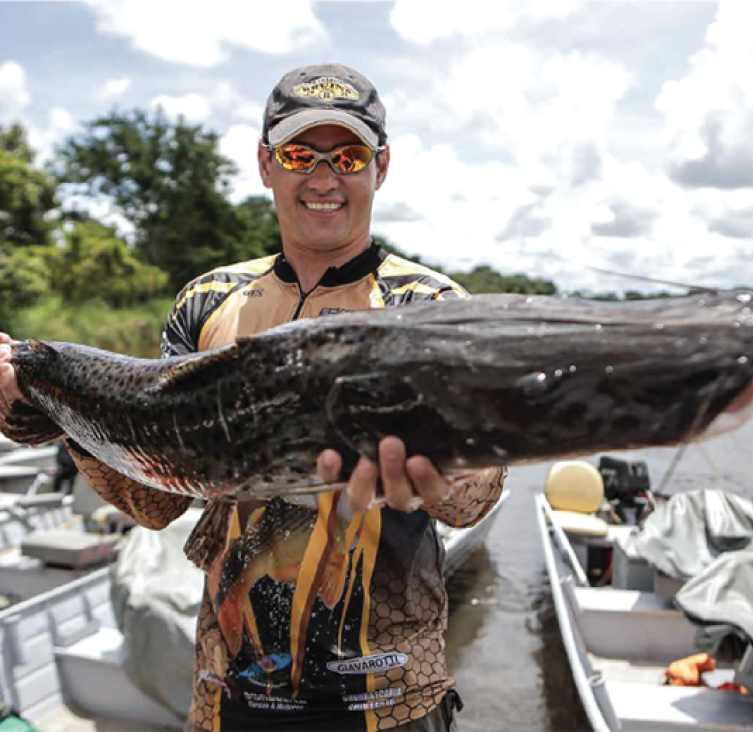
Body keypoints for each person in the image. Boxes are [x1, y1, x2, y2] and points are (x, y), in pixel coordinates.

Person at [0, 63, 506, 732]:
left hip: (391, 703)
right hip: (230, 698)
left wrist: (443, 474)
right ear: (267, 165)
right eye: (300, 153)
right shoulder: (207, 305)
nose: (323, 178)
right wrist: (41, 408)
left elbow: (478, 500)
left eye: (348, 155)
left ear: (380, 168)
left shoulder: (432, 308)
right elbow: (155, 499)